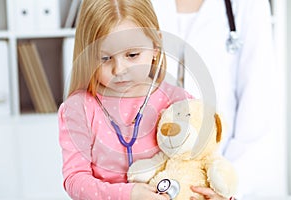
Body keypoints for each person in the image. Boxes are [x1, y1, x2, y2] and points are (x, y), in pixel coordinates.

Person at [58, 0, 233, 199]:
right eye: (105, 58)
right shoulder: (78, 109)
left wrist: (220, 196)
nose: (120, 70)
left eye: (132, 55)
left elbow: (206, 164)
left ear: (155, 47)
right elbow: (75, 179)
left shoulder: (179, 102)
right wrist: (128, 194)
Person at [150, 0, 275, 197]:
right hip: (145, 178)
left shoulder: (249, 5)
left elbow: (256, 109)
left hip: (216, 176)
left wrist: (226, 188)